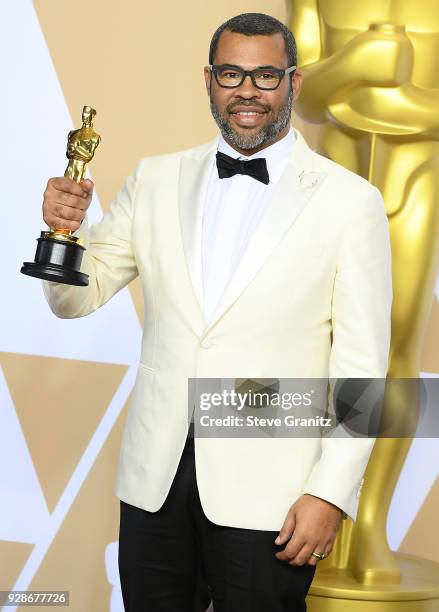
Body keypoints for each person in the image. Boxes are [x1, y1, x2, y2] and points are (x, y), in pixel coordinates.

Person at [40, 12, 392, 612]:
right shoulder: (155, 179)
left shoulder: (349, 203)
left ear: (294, 83)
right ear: (208, 80)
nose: (247, 92)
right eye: (231, 74)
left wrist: (330, 495)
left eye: (265, 76)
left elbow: (362, 369)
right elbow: (75, 298)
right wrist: (64, 233)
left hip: (273, 494)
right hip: (155, 484)